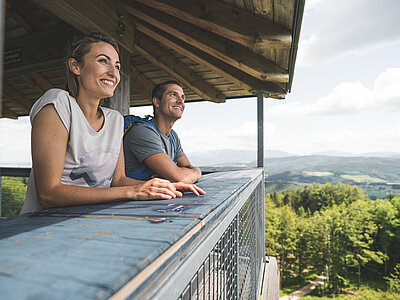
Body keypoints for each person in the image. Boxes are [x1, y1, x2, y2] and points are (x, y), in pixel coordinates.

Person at [19, 33, 204, 215]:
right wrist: (132, 192)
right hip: (41, 228)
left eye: (117, 66)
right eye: (103, 61)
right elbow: (48, 194)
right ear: (75, 66)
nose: (113, 72)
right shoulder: (57, 103)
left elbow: (118, 180)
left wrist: (167, 186)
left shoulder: (115, 120)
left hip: (93, 224)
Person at [124, 80, 202, 183]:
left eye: (182, 97)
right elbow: (180, 178)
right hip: (132, 197)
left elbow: (187, 167)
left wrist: (196, 171)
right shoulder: (142, 131)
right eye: (173, 95)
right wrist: (194, 172)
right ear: (157, 102)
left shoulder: (173, 136)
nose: (180, 101)